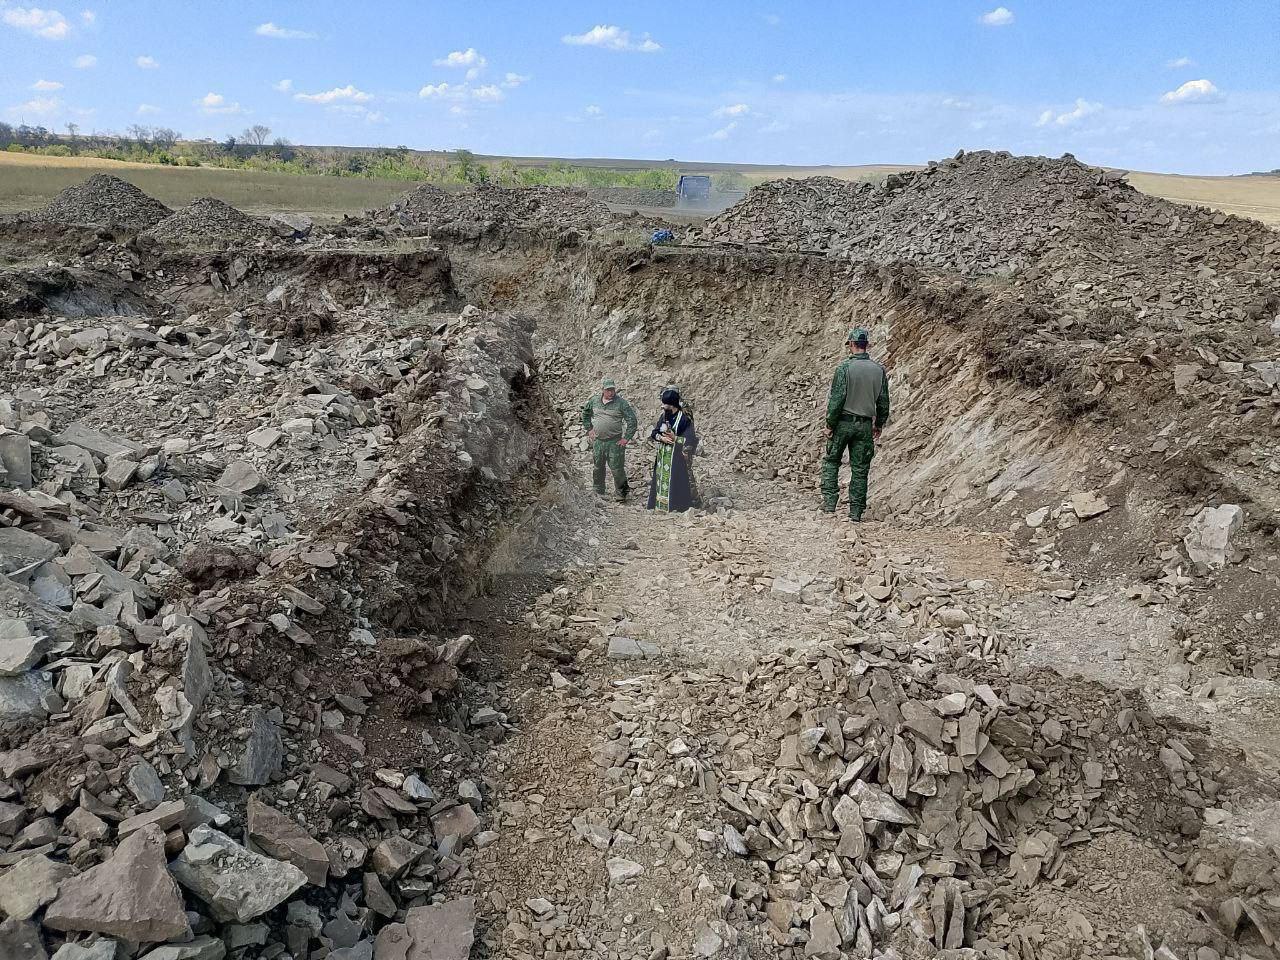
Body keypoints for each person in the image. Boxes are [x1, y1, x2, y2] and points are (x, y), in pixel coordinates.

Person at [822, 327, 890, 521]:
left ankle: (829, 504)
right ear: (866, 345)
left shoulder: (844, 368)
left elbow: (837, 399)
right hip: (865, 425)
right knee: (860, 469)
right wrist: (879, 424)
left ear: (851, 344)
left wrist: (830, 424)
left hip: (843, 423)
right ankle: (856, 512)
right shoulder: (879, 370)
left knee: (831, 461)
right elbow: (883, 402)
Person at [582, 377, 638, 499]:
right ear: (602, 390)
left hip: (615, 442)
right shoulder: (594, 401)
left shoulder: (621, 403)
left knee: (617, 468)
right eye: (608, 390)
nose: (611, 392)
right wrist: (589, 429)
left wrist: (626, 438)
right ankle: (598, 490)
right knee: (598, 467)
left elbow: (632, 421)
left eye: (612, 390)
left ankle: (622, 493)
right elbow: (585, 414)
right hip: (598, 441)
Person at [647, 389, 698, 512]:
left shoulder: (684, 419)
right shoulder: (664, 416)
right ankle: (659, 506)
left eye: (666, 404)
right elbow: (654, 433)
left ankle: (677, 508)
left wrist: (675, 438)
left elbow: (691, 440)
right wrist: (661, 438)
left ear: (673, 405)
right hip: (662, 458)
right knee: (660, 481)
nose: (663, 407)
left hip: (677, 458)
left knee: (676, 482)